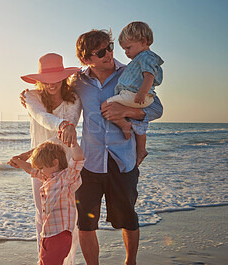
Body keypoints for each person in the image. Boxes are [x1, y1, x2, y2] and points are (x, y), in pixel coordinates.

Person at [71, 28, 163, 265]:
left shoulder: (131, 73)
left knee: (128, 218)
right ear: (86, 59)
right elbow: (56, 100)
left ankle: (129, 262)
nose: (109, 53)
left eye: (110, 47)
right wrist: (32, 96)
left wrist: (127, 111)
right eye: (100, 52)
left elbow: (156, 109)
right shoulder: (78, 82)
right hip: (89, 163)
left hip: (123, 161)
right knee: (86, 222)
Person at [8, 53, 82, 264]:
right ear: (39, 80)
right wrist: (33, 155)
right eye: (47, 80)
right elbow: (42, 117)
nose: (52, 84)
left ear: (64, 77)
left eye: (57, 78)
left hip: (65, 164)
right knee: (43, 214)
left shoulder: (74, 100)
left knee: (69, 218)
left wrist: (30, 153)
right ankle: (44, 260)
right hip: (40, 163)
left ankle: (67, 262)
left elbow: (66, 130)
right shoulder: (31, 96)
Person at [11, 141, 85, 265]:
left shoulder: (66, 178)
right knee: (44, 261)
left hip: (59, 235)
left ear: (55, 163)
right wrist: (18, 161)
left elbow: (78, 159)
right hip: (48, 233)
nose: (40, 171)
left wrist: (73, 143)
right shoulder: (48, 178)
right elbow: (30, 169)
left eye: (41, 168)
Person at [106, 21, 164, 166]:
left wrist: (142, 93)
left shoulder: (146, 56)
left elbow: (149, 75)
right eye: (124, 49)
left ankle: (123, 125)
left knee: (106, 106)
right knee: (138, 125)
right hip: (137, 96)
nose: (126, 52)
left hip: (137, 96)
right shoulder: (141, 58)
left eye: (128, 48)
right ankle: (141, 150)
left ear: (144, 41)